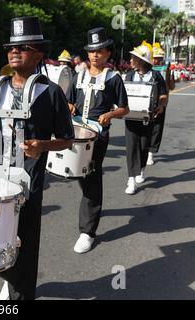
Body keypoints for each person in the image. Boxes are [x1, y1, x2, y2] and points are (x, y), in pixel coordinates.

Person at [0, 16, 74, 300]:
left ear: (39, 54)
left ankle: (21, 292)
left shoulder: (51, 92)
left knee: (26, 239)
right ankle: (10, 277)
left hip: (28, 178)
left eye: (24, 46)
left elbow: (67, 138)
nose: (14, 52)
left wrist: (43, 145)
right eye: (11, 47)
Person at [66, 27, 129, 253]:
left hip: (98, 136)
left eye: (100, 51)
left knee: (92, 178)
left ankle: (88, 231)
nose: (95, 55)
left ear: (108, 54)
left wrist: (111, 114)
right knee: (80, 176)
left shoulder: (114, 79)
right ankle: (91, 207)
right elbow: (69, 101)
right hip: (75, 133)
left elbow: (124, 108)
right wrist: (69, 105)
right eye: (92, 51)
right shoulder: (77, 76)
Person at [124, 41, 168, 195]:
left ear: (142, 61)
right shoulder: (129, 74)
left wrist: (161, 105)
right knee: (131, 147)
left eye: (133, 58)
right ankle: (131, 180)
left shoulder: (155, 75)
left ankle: (141, 168)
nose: (130, 61)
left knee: (143, 146)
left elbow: (163, 95)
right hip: (130, 118)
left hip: (147, 118)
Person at [147, 43, 174, 165]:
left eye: (159, 57)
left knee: (157, 128)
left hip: (161, 102)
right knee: (146, 126)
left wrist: (171, 76)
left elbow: (171, 86)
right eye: (155, 57)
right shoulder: (146, 68)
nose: (157, 60)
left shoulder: (166, 68)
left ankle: (151, 153)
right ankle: (145, 149)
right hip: (147, 101)